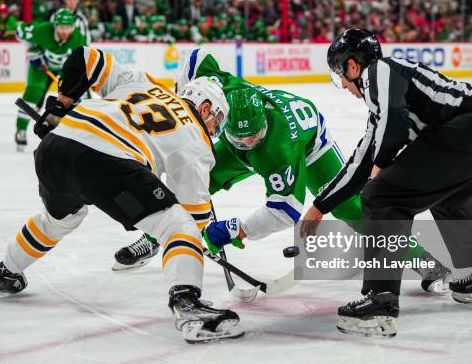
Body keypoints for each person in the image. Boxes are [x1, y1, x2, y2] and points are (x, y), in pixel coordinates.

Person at [114, 48, 451, 295]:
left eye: (253, 137)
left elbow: (286, 209)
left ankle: (423, 259)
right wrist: (184, 93)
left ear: (264, 125)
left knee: (353, 209)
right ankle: (152, 237)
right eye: (240, 138)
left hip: (309, 146)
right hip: (242, 140)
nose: (247, 143)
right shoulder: (224, 91)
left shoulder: (277, 147)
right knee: (190, 178)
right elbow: (197, 58)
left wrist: (236, 229)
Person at [0, 46, 242, 343]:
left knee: (60, 219)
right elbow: (194, 214)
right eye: (217, 120)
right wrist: (204, 240)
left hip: (55, 148)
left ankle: (5, 272)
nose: (214, 129)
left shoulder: (145, 82)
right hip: (105, 163)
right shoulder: (197, 138)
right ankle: (187, 305)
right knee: (178, 226)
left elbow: (85, 56)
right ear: (204, 108)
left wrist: (64, 101)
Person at [300, 29, 472, 337]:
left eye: (341, 75)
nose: (345, 86)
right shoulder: (388, 92)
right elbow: (360, 161)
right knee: (446, 194)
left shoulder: (380, 70)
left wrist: (379, 169)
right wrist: (320, 206)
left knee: (381, 197)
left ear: (353, 66)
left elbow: (391, 128)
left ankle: (380, 301)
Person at [14, 9, 87, 151]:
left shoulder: (78, 37)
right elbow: (19, 32)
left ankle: (70, 135)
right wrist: (32, 51)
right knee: (33, 94)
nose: (64, 31)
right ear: (54, 25)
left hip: (64, 69)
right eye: (61, 27)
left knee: (71, 100)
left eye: (68, 28)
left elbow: (82, 62)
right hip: (41, 67)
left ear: (73, 27)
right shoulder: (43, 30)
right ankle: (21, 130)